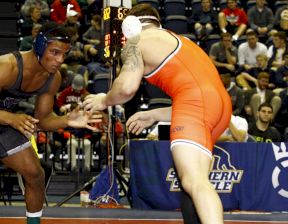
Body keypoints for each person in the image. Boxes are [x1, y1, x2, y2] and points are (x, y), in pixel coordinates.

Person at [82, 4, 231, 224]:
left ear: (130, 26)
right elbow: (198, 95)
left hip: (195, 103)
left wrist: (103, 100)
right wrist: (153, 115)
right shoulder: (180, 40)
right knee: (192, 184)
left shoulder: (136, 41)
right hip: (219, 106)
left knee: (194, 181)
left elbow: (126, 88)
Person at [0, 22, 100, 224]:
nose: (60, 60)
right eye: (55, 52)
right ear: (39, 46)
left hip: (4, 119)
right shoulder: (7, 65)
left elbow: (43, 121)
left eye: (64, 54)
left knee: (35, 174)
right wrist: (12, 118)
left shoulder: (52, 78)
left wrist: (67, 119)